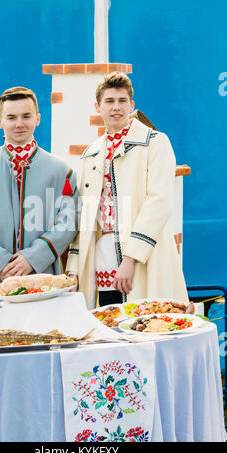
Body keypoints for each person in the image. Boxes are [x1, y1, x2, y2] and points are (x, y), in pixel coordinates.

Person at [66, 72, 188, 309]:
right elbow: (86, 215)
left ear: (131, 105)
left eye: (122, 101)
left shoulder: (155, 142)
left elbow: (159, 202)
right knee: (107, 325)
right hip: (100, 257)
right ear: (98, 107)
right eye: (109, 101)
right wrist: (73, 268)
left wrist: (130, 258)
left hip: (144, 257)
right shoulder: (91, 153)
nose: (116, 107)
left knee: (146, 323)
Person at [0, 86, 79, 318]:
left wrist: (32, 259)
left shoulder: (62, 171)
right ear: (0, 121)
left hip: (41, 278)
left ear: (38, 119)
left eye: (26, 116)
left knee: (44, 340)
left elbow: (68, 223)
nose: (19, 123)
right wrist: (1, 265)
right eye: (11, 117)